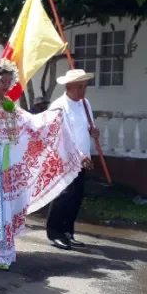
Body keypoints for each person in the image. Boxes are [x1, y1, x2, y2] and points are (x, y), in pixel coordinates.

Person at [0, 59, 88, 270]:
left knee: (8, 206)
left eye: (8, 81)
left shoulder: (7, 104)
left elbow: (28, 122)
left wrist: (51, 118)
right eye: (2, 81)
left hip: (7, 165)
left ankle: (2, 247)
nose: (5, 85)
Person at [46, 69, 98, 250]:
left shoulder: (85, 103)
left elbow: (88, 127)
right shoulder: (59, 106)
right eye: (80, 87)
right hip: (65, 158)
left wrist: (94, 132)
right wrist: (78, 154)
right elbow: (60, 136)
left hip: (82, 158)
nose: (83, 91)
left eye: (85, 87)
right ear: (69, 87)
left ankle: (68, 232)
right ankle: (55, 233)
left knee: (76, 196)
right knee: (64, 195)